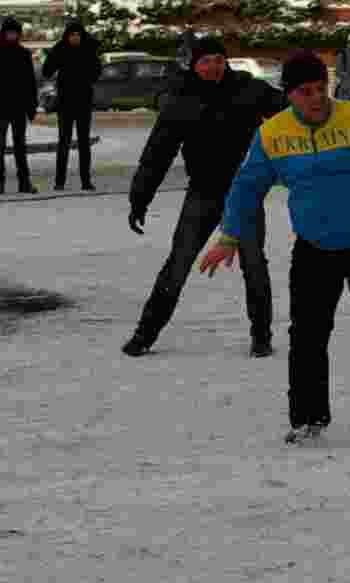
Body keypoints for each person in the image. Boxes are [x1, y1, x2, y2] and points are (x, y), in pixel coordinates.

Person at [199, 49, 350, 446]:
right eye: (305, 91)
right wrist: (229, 236)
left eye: (321, 88)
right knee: (307, 335)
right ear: (289, 94)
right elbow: (247, 188)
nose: (317, 97)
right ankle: (307, 416)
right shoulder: (272, 134)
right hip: (314, 248)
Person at [122, 37, 287, 358]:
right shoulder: (181, 99)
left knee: (254, 264)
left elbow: (290, 107)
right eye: (205, 61)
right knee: (178, 262)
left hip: (244, 193)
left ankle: (261, 337)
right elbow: (157, 155)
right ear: (194, 65)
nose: (213, 67)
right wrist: (139, 198)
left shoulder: (248, 89)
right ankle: (145, 334)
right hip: (203, 192)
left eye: (218, 60)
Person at [42, 18, 102, 192]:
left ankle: (86, 181)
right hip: (65, 103)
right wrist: (54, 55)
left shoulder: (89, 50)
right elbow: (47, 71)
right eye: (71, 35)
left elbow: (98, 71)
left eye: (78, 35)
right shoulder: (60, 50)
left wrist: (86, 79)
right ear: (67, 36)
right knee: (64, 142)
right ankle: (60, 182)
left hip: (83, 101)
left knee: (84, 143)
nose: (75, 38)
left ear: (82, 36)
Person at [0, 16, 38, 195]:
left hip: (18, 108)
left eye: (14, 33)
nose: (11, 36)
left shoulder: (24, 54)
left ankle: (24, 183)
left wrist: (31, 107)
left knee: (20, 148)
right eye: (8, 32)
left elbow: (30, 83)